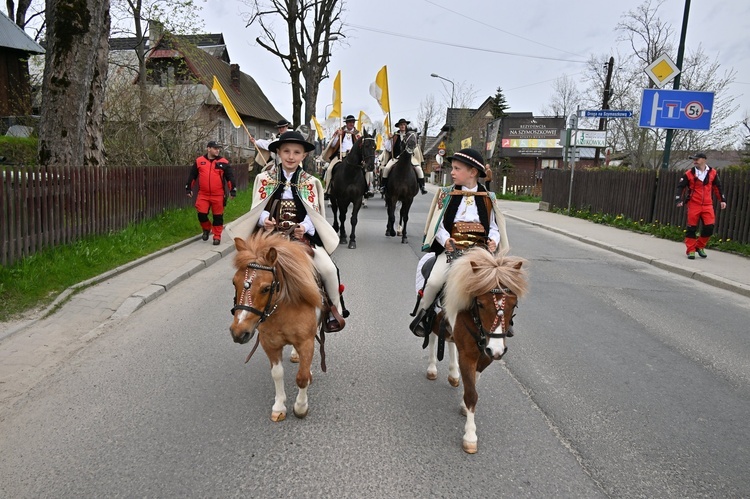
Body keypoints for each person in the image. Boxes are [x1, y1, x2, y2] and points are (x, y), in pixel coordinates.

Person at [246, 131, 347, 332]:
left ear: (304, 156)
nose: (291, 156)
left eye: (296, 152)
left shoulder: (310, 182)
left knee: (328, 269)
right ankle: (246, 312)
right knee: (248, 272)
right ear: (278, 153)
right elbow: (256, 208)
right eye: (286, 151)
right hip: (271, 238)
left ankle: (333, 312)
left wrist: (305, 227)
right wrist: (264, 220)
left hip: (302, 239)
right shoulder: (264, 179)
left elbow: (315, 212)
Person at [409, 148, 509, 337]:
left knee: (500, 284)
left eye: (457, 168)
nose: (452, 172)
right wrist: (446, 240)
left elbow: (494, 227)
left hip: (480, 253)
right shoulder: (446, 195)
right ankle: (424, 316)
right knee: (434, 282)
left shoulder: (488, 198)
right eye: (452, 168)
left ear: (472, 172)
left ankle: (503, 321)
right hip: (452, 251)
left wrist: (494, 241)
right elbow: (437, 224)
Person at [675, 152, 727, 259]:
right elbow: (681, 187)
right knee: (691, 228)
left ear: (704, 160)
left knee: (709, 227)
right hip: (694, 204)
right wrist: (678, 199)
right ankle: (691, 250)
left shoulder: (712, 172)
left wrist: (722, 200)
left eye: (697, 159)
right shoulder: (689, 173)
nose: (694, 161)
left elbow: (718, 187)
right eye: (693, 159)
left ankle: (699, 246)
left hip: (707, 204)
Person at [185, 141, 237, 245]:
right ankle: (206, 228)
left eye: (218, 148)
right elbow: (193, 176)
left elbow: (230, 178)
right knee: (201, 214)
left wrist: (232, 190)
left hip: (218, 195)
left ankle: (217, 236)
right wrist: (189, 188)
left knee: (218, 216)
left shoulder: (224, 162)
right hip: (203, 194)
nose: (217, 150)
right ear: (208, 149)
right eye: (215, 148)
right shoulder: (199, 161)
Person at [322, 115, 372, 199]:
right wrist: (338, 136)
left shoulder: (358, 134)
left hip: (354, 157)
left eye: (353, 122)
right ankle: (328, 189)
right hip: (340, 156)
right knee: (330, 169)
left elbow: (362, 146)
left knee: (367, 170)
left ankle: (367, 189)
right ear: (346, 123)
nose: (351, 124)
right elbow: (333, 145)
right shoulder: (340, 131)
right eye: (349, 122)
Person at [380, 118, 427, 195]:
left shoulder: (411, 135)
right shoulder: (395, 135)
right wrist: (389, 139)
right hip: (396, 158)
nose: (403, 126)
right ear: (398, 126)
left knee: (419, 169)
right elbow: (388, 148)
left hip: (409, 158)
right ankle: (383, 186)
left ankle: (422, 186)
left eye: (404, 124)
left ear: (406, 126)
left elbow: (415, 146)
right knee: (386, 168)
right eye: (401, 125)